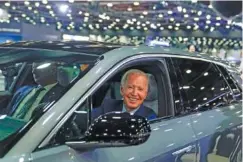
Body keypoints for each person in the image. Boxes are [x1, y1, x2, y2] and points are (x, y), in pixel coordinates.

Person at [92, 69, 157, 120]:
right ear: (122, 90)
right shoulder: (108, 106)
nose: (134, 93)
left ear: (145, 94)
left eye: (140, 89)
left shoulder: (150, 116)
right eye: (130, 87)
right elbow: (86, 119)